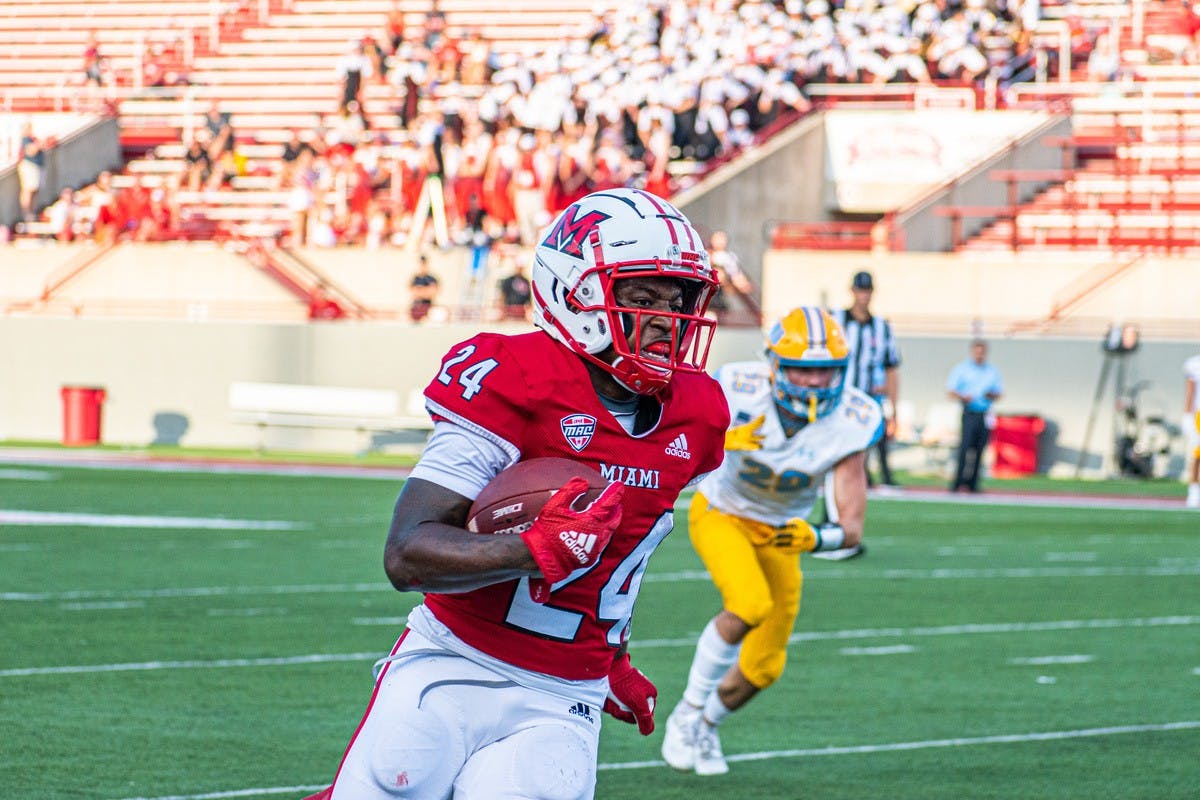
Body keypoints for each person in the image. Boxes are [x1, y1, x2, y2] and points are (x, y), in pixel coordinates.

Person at [303, 188, 727, 800]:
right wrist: (531, 550)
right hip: (452, 660)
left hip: (563, 696)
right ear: (575, 293)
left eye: (678, 298)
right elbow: (406, 554)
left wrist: (612, 660)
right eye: (641, 297)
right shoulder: (515, 375)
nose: (666, 318)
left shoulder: (697, 413)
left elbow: (622, 551)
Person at [660, 306, 882, 776]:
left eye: (826, 371)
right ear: (774, 364)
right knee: (750, 603)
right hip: (723, 513)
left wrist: (813, 536)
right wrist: (718, 443)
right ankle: (684, 715)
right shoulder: (736, 388)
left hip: (782, 534)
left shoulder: (854, 419)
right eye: (802, 367)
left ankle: (705, 724)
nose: (815, 381)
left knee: (765, 667)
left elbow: (852, 528)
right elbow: (669, 447)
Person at [946, 339, 1004, 493]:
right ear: (973, 352)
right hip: (969, 412)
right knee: (965, 448)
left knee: (980, 449)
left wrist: (990, 394)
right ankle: (958, 482)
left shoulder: (992, 371)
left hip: (984, 414)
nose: (979, 355)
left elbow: (999, 393)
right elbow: (950, 390)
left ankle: (973, 484)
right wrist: (964, 397)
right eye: (977, 352)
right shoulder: (962, 369)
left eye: (982, 352)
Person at [1184, 352, 1200, 508]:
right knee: (1197, 455)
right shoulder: (1195, 363)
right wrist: (1187, 416)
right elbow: (1190, 391)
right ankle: (1194, 492)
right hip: (1199, 414)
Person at [496, 255, 531, 320]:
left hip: (521, 312)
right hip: (509, 311)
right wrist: (502, 310)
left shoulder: (526, 281)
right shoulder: (508, 280)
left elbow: (528, 298)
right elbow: (503, 295)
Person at [408, 254, 440, 321]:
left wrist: (420, 290)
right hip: (416, 308)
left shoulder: (431, 279)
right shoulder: (415, 278)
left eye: (424, 264)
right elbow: (413, 293)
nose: (422, 266)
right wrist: (426, 290)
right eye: (421, 264)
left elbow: (432, 293)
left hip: (428, 307)